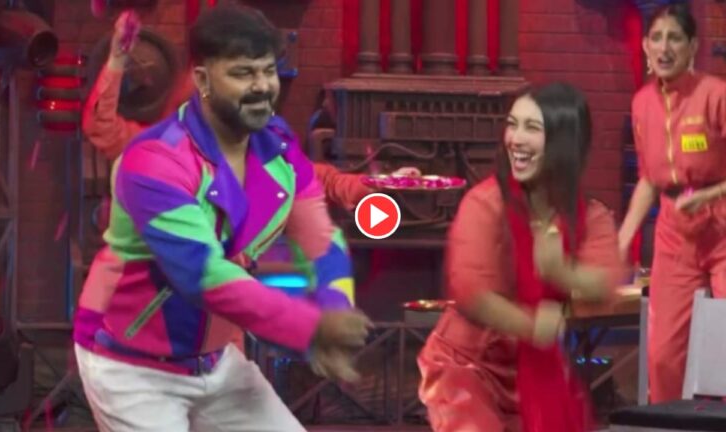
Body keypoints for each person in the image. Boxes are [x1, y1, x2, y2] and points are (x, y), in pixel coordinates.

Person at [75, 5, 372, 431]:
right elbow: (201, 275)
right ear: (202, 81)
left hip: (215, 360)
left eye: (267, 71)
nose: (262, 86)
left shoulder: (278, 148)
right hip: (129, 362)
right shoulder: (152, 159)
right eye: (242, 73)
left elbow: (320, 240)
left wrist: (335, 307)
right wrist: (310, 328)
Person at [417, 82, 625, 432]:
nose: (515, 139)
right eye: (512, 125)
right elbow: (472, 292)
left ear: (564, 142)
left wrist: (561, 272)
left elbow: (605, 281)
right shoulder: (485, 204)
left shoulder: (590, 216)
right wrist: (531, 325)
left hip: (536, 371)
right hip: (467, 368)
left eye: (532, 128)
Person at [617, 3, 726, 403]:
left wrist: (710, 195)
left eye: (675, 38)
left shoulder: (715, 94)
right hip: (674, 232)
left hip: (722, 225)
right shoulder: (641, 103)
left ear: (692, 46)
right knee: (663, 355)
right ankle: (668, 424)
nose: (664, 48)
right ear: (645, 46)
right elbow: (649, 178)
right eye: (656, 38)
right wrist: (621, 239)